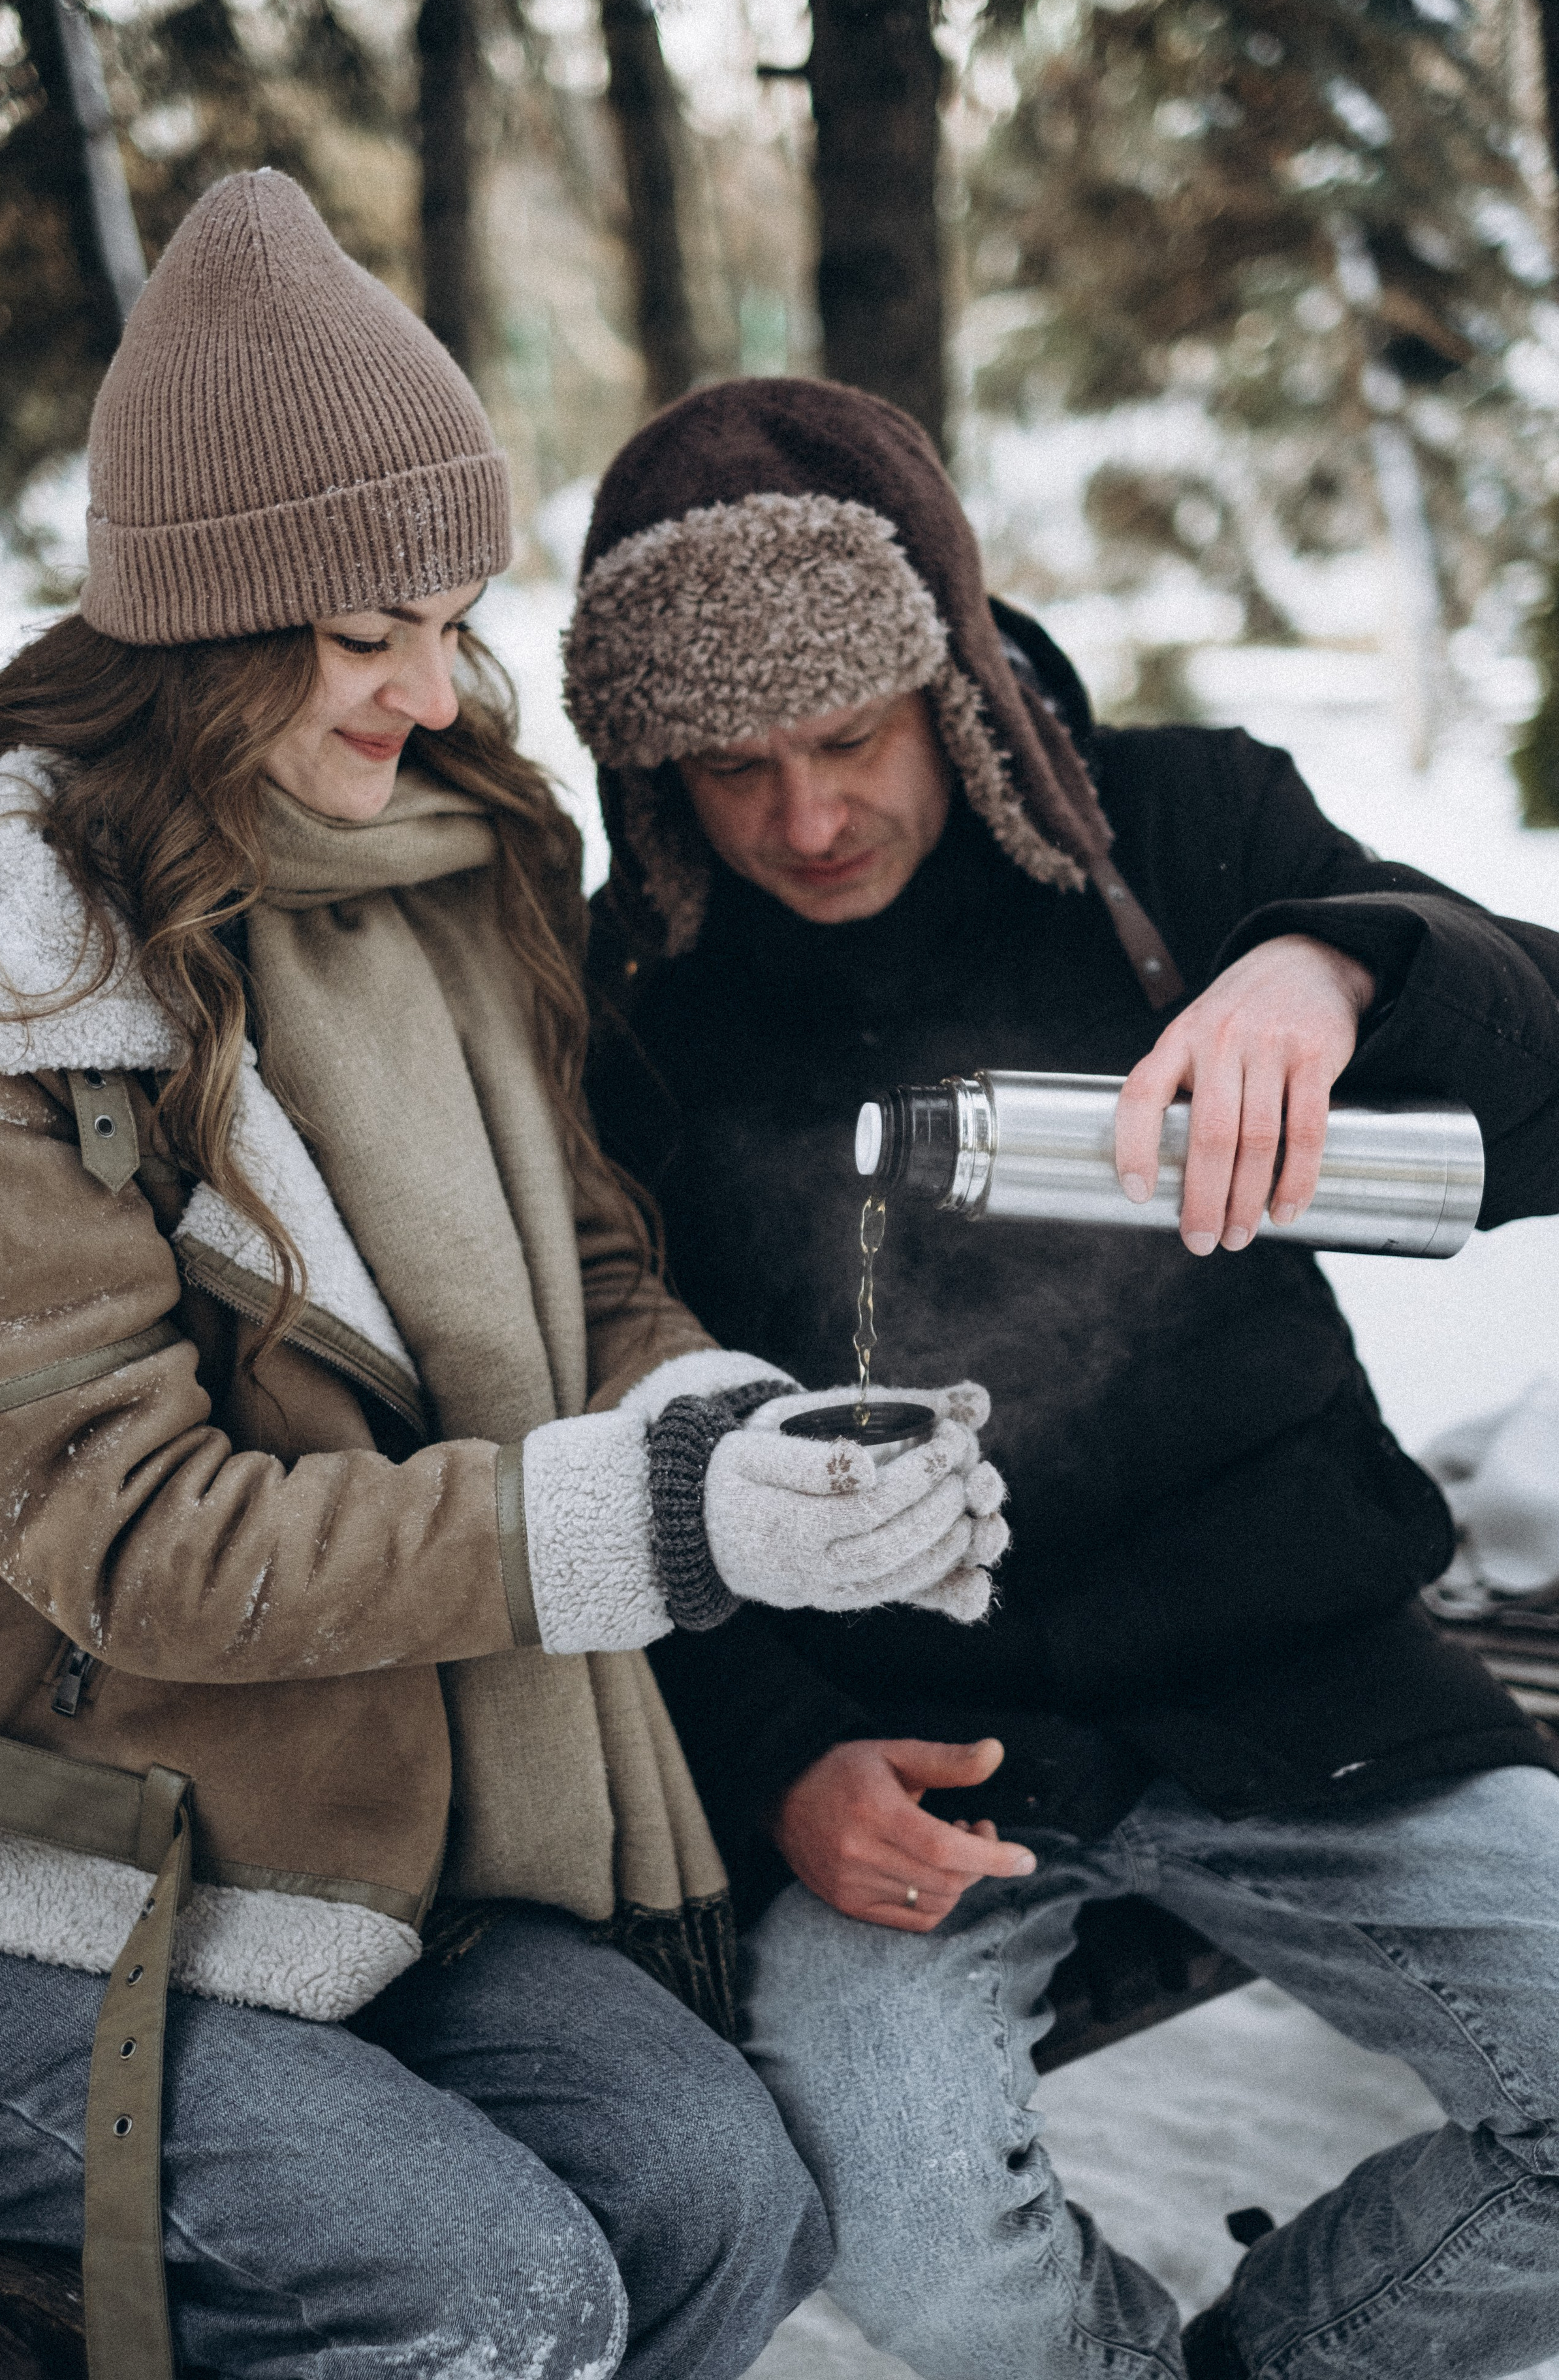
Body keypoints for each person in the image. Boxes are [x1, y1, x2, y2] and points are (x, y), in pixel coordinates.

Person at [0, 185, 1007, 2380]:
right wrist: (650, 1527)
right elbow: (130, 1536)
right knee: (482, 2288)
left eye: (452, 615)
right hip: (18, 1873)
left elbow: (586, 1275)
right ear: (218, 630)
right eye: (376, 629)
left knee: (726, 2202)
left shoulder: (447, 866)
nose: (436, 685)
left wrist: (736, 1437)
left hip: (360, 1823)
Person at [568, 376, 1559, 2380]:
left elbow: (1540, 1093)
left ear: (946, 681)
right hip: (908, 1745)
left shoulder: (1183, 835)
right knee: (908, 2230)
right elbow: (606, 1428)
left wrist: (1345, 961)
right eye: (731, 770)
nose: (806, 819)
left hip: (1305, 1676)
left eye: (847, 739)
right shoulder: (625, 1007)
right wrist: (777, 1757)